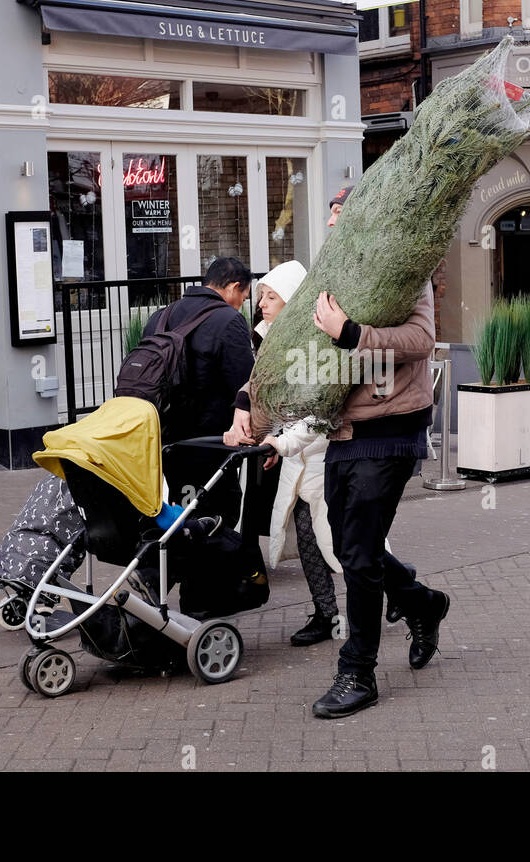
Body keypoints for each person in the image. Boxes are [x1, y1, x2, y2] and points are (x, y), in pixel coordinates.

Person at [234, 283, 450, 718]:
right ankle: (423, 603)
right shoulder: (339, 274)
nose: (331, 221)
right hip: (342, 435)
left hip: (390, 434)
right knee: (354, 547)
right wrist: (249, 402)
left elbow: (421, 341)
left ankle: (358, 673)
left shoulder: (405, 271)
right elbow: (298, 355)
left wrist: (350, 332)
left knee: (358, 557)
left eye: (337, 210)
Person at [226, 260, 345, 646]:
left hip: (320, 451)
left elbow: (317, 407)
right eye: (260, 296)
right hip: (294, 450)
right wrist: (271, 435)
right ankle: (328, 613)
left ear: (291, 300)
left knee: (336, 538)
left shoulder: (312, 344)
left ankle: (401, 588)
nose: (261, 303)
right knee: (316, 538)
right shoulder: (269, 340)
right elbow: (262, 388)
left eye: (271, 296)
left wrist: (284, 440)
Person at [140, 256, 255, 527]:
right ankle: (209, 567)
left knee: (174, 510)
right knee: (217, 515)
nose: (242, 304)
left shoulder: (161, 317)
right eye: (244, 296)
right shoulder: (229, 320)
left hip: (164, 437)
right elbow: (247, 383)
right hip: (210, 441)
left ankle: (171, 566)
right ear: (233, 287)